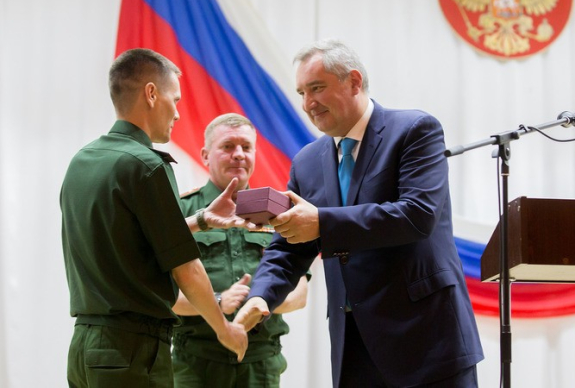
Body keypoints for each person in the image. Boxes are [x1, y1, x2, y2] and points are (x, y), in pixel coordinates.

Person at [235, 39, 484, 387]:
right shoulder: (306, 162)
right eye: (302, 93)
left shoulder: (415, 130)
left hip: (427, 341)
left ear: (353, 81)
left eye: (316, 88)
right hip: (353, 346)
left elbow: (417, 215)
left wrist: (321, 223)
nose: (307, 103)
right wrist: (261, 295)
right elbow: (288, 247)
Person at [61, 48, 250, 388]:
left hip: (84, 348)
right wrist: (225, 329)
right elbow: (187, 269)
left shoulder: (82, 161)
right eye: (174, 99)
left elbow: (126, 239)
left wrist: (201, 220)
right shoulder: (147, 165)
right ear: (151, 94)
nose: (177, 113)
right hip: (133, 351)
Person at [171, 113, 309, 387]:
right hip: (195, 364)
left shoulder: (279, 212)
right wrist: (217, 301)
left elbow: (300, 294)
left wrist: (258, 302)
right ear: (206, 155)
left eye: (246, 147)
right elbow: (164, 295)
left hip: (260, 365)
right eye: (227, 146)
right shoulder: (182, 213)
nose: (238, 154)